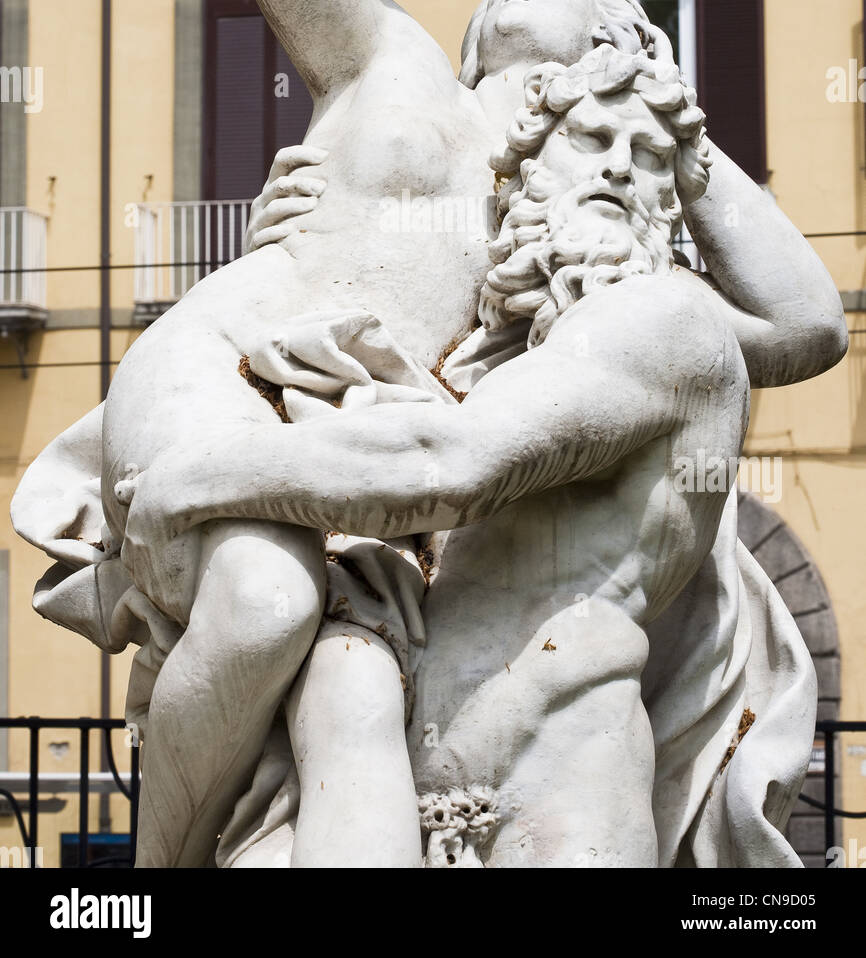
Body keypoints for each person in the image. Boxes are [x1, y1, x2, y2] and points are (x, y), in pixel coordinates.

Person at [121, 45, 830, 867]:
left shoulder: (668, 322)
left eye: (651, 161)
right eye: (592, 140)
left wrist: (194, 477)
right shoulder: (496, 355)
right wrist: (292, 248)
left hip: (558, 795)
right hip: (383, 794)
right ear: (521, 173)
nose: (619, 171)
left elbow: (444, 467)